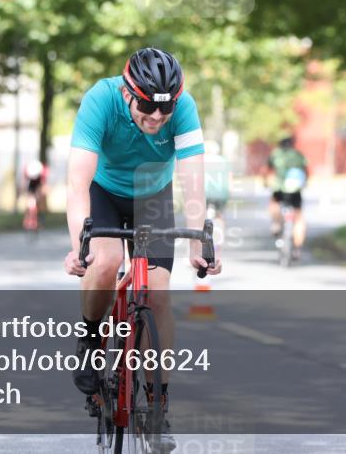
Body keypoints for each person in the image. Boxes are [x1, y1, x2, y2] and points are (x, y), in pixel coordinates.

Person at [63, 47, 222, 451]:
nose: (155, 119)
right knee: (108, 259)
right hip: (105, 193)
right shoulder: (101, 99)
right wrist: (78, 246)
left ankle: (157, 405)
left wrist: (201, 241)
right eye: (147, 107)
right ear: (128, 93)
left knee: (158, 295)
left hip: (153, 197)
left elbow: (192, 178)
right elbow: (78, 181)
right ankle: (90, 336)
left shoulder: (184, 108)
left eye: (163, 112)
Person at [266, 136, 309, 260]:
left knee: (274, 203)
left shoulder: (275, 154)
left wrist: (266, 181)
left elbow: (268, 170)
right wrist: (304, 182)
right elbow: (306, 171)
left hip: (279, 188)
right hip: (295, 189)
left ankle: (276, 225)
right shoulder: (298, 155)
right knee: (299, 217)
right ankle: (297, 246)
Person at [203, 140, 230, 240]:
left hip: (204, 193)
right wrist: (228, 193)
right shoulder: (223, 160)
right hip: (220, 193)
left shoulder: (202, 160)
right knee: (220, 216)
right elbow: (228, 178)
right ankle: (220, 239)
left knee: (201, 216)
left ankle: (203, 237)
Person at [23, 158, 45, 229]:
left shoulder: (40, 174)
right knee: (30, 203)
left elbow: (41, 185)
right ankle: (27, 220)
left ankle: (36, 220)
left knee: (36, 203)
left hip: (36, 186)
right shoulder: (29, 174)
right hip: (31, 187)